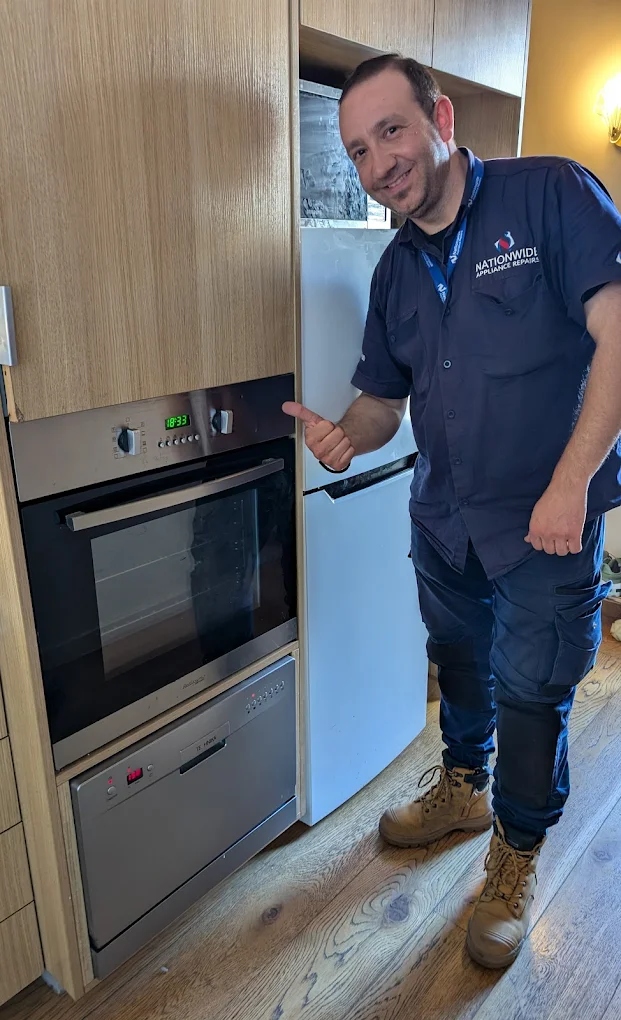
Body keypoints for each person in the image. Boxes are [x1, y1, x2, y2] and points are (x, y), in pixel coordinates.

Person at [283, 53, 621, 970]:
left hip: (542, 524)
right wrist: (346, 435)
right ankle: (461, 788)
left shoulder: (549, 195)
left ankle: (513, 855)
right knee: (460, 670)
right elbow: (382, 401)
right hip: (442, 519)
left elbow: (616, 330)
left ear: (438, 116)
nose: (376, 163)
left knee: (531, 692)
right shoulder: (393, 270)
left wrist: (571, 484)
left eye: (389, 131)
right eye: (355, 150)